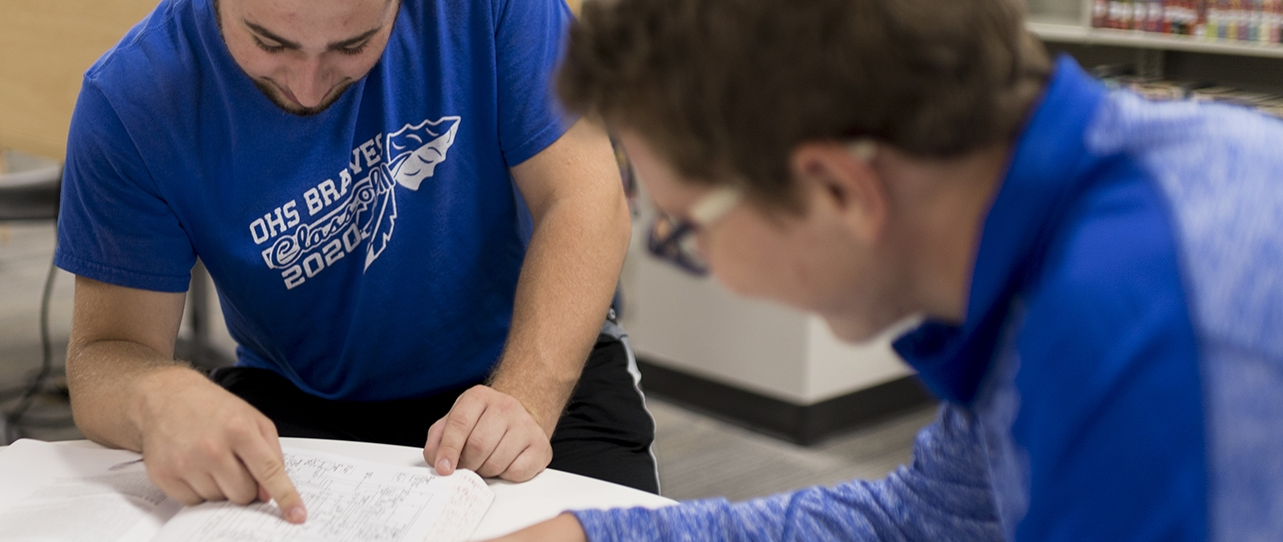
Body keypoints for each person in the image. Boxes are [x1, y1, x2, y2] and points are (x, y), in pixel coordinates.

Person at [488, 0, 1283, 540]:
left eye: (688, 231)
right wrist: (600, 532)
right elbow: (924, 522)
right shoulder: (1041, 259)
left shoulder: (1139, 330)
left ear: (838, 190)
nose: (707, 267)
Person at [57, 0, 656, 522]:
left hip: (521, 359)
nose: (308, 86)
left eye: (353, 45)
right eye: (270, 43)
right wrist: (155, 397)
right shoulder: (133, 98)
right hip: (300, 391)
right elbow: (104, 354)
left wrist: (526, 396)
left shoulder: (492, 6)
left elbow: (585, 199)